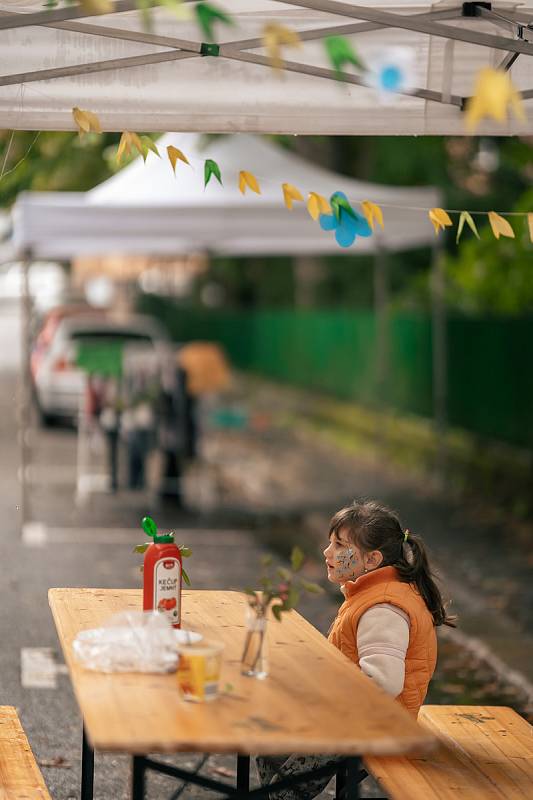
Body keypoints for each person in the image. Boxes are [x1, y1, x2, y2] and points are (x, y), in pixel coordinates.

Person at [256, 499, 455, 800]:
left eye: (339, 545)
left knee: (282, 765)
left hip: (375, 725)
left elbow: (384, 682)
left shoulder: (384, 607)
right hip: (361, 716)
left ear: (372, 560)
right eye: (329, 543)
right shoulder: (373, 592)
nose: (327, 553)